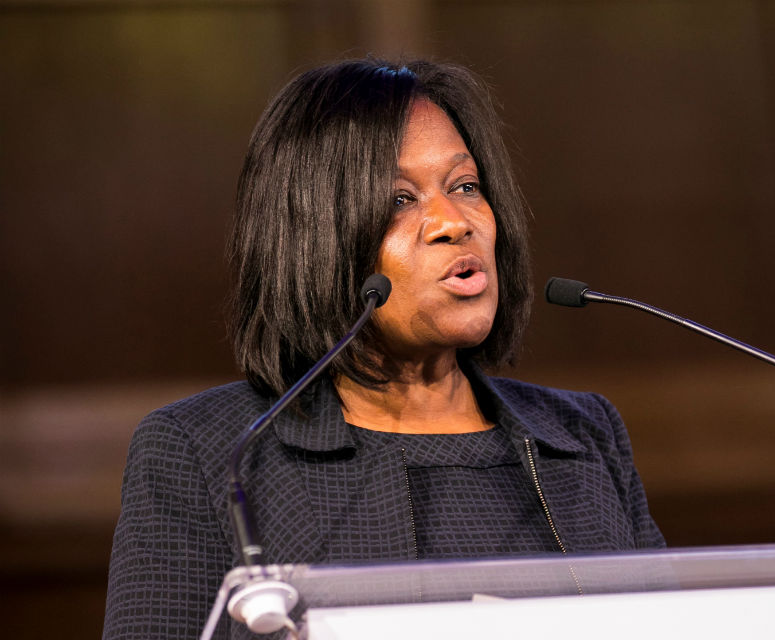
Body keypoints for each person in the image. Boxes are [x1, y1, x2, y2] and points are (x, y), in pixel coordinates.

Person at [102, 59, 664, 640]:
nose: (453, 222)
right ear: (315, 236)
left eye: (465, 186)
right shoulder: (211, 454)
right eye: (400, 199)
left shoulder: (583, 437)